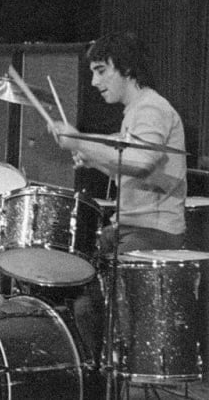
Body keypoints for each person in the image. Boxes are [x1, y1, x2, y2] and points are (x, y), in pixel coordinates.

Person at [48, 31, 187, 362]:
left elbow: (141, 162)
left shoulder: (151, 107)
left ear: (125, 67)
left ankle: (103, 371)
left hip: (153, 232)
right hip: (132, 226)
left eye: (101, 70)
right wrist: (93, 158)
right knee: (76, 284)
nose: (94, 82)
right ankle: (94, 368)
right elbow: (132, 169)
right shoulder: (137, 109)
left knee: (90, 308)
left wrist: (80, 141)